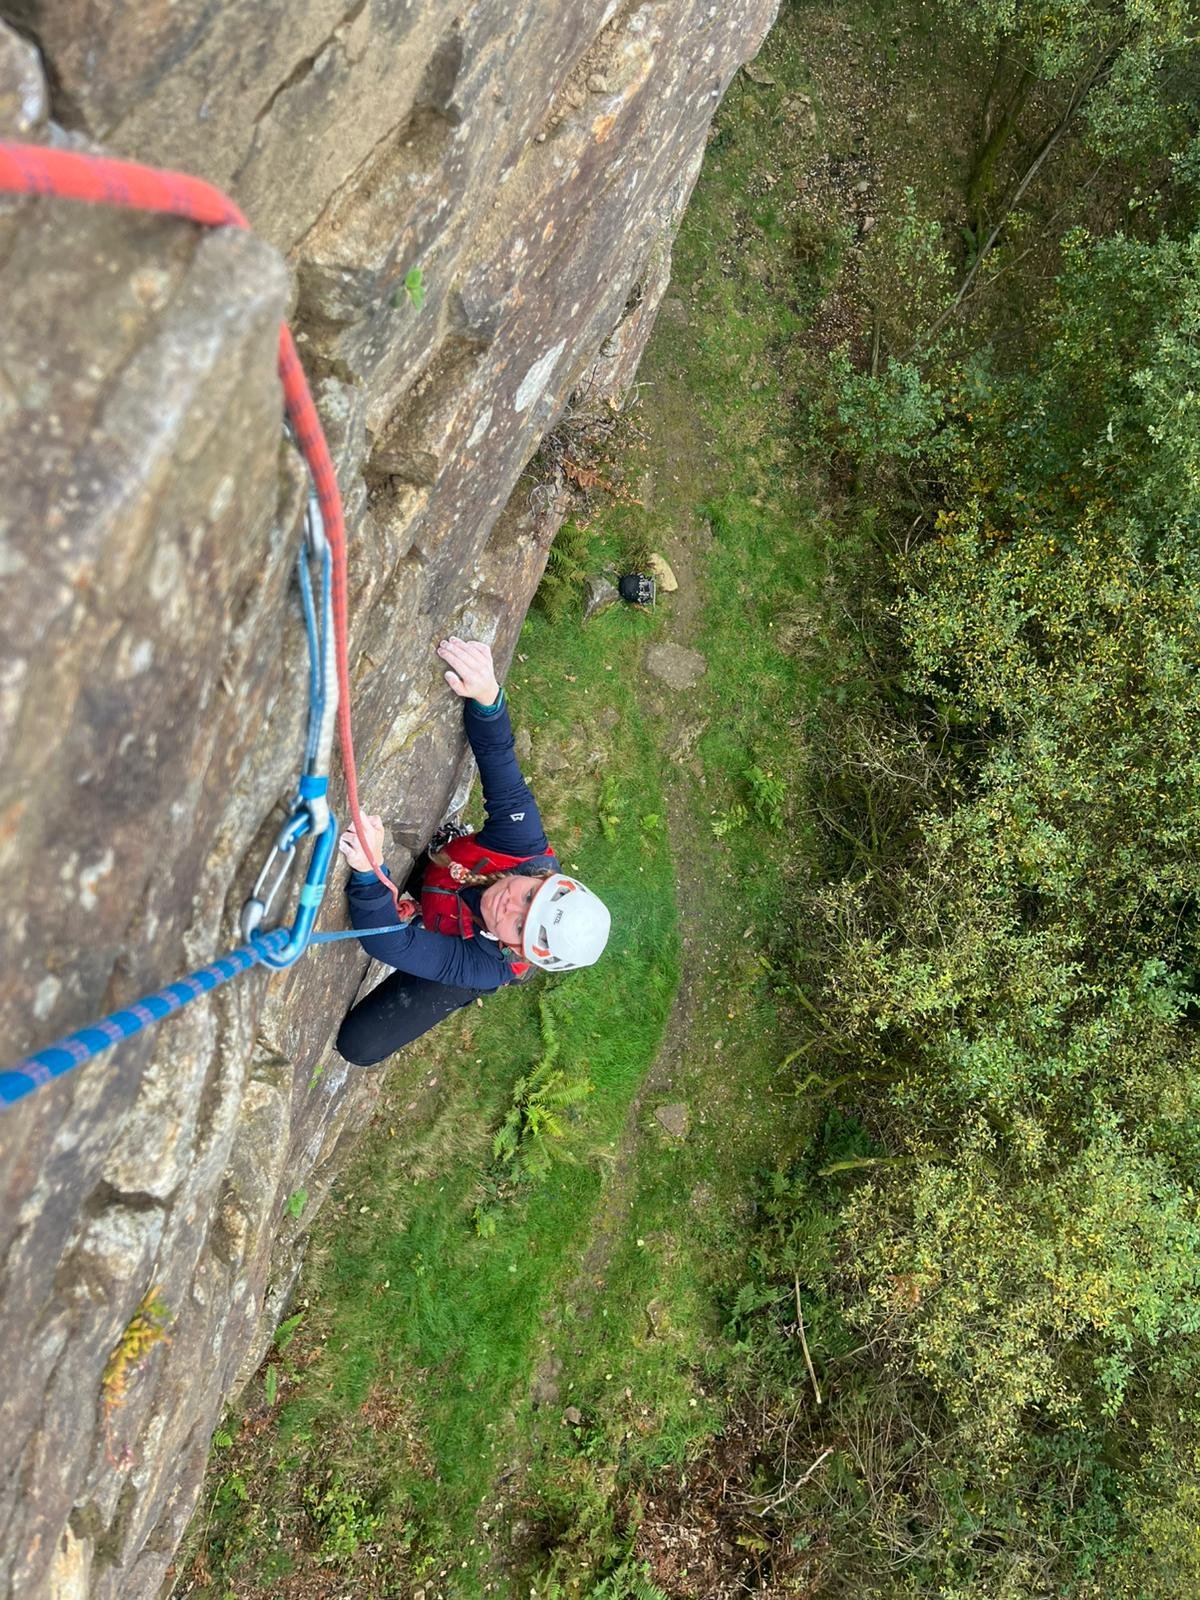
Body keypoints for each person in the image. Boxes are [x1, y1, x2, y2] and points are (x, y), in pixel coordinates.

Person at [335, 636, 611, 1065]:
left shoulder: (487, 966)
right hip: (447, 877)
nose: (508, 906)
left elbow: (391, 947)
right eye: (528, 896)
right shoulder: (525, 846)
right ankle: (433, 897)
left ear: (518, 952)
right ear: (541, 877)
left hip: (461, 952)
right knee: (438, 876)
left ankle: (434, 935)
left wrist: (369, 874)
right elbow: (500, 762)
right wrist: (487, 698)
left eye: (520, 927)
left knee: (360, 1046)